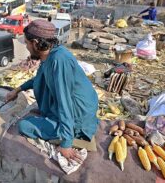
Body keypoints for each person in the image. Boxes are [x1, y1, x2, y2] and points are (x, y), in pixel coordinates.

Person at [6, 19, 99, 163]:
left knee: (24, 125)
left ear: (36, 43)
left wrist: (66, 144)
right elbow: (38, 79)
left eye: (27, 43)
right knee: (39, 109)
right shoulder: (49, 54)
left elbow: (65, 102)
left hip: (78, 114)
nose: (26, 47)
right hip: (73, 105)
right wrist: (17, 90)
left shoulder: (59, 61)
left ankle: (72, 133)